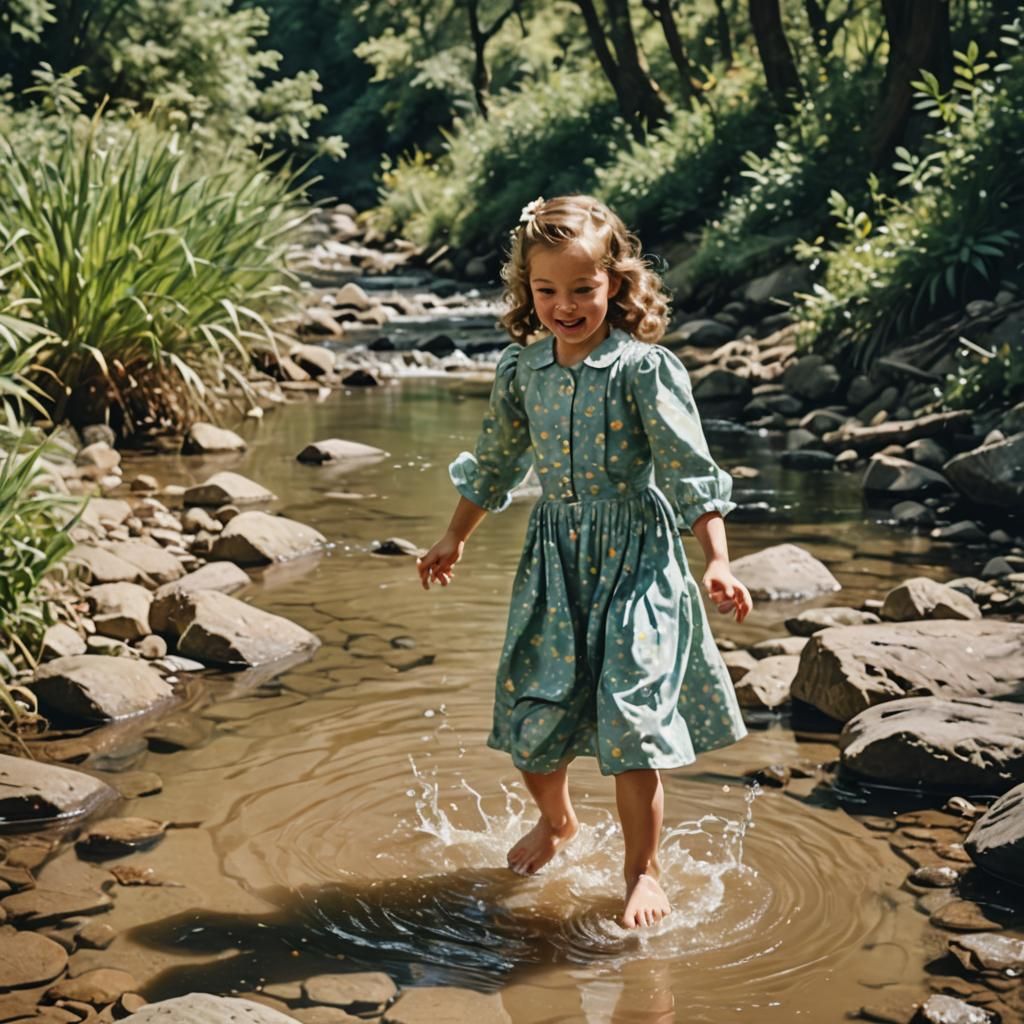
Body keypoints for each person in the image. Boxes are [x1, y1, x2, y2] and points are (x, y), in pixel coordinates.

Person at [416, 195, 751, 930]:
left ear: (616, 285)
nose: (564, 306)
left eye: (582, 289)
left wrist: (718, 560)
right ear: (525, 291)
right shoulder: (522, 369)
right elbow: (498, 464)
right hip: (556, 561)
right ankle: (559, 821)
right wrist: (455, 536)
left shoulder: (644, 369)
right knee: (534, 717)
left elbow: (692, 470)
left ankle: (642, 871)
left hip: (637, 561)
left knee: (631, 720)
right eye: (546, 291)